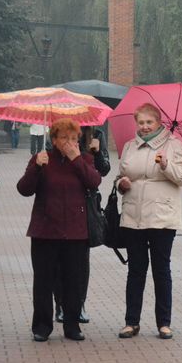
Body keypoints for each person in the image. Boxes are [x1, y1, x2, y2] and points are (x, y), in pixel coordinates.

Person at [17, 118, 101, 342]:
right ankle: (42, 326)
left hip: (75, 231)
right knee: (44, 280)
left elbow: (94, 181)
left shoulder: (84, 159)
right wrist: (36, 167)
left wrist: (76, 160)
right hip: (45, 230)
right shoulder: (42, 159)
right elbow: (24, 189)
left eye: (74, 138)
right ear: (53, 139)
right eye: (64, 138)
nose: (69, 143)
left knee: (73, 280)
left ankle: (72, 325)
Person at [117, 103, 182, 340]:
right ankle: (132, 322)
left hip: (162, 218)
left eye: (149, 122)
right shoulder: (130, 146)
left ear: (159, 122)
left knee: (161, 271)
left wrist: (166, 165)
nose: (145, 126)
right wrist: (121, 184)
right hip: (133, 216)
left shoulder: (173, 146)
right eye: (141, 122)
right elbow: (120, 175)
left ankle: (164, 323)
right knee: (135, 271)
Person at [54, 125, 110, 324]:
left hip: (86, 204)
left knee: (81, 261)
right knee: (59, 259)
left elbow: (103, 170)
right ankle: (59, 305)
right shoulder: (60, 131)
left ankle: (79, 304)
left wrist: (96, 153)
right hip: (61, 202)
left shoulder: (97, 134)